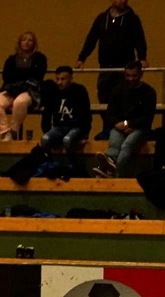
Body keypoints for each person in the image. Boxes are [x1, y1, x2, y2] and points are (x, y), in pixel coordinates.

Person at [77, 0, 147, 137]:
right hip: (105, 68)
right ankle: (108, 128)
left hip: (124, 68)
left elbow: (139, 39)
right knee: (104, 99)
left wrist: (142, 57)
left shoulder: (132, 19)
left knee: (123, 100)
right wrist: (82, 58)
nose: (123, 1)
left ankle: (123, 128)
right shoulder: (102, 18)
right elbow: (91, 39)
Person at [92, 61, 155, 178]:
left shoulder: (149, 92)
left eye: (134, 75)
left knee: (127, 144)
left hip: (140, 129)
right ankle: (110, 166)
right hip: (119, 127)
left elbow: (148, 117)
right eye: (128, 75)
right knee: (114, 143)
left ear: (141, 74)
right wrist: (117, 124)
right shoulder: (118, 90)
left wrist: (128, 123)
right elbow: (110, 113)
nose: (131, 79)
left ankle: (113, 171)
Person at [0, 31, 48, 142]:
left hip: (30, 90)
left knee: (19, 102)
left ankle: (13, 131)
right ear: (20, 42)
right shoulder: (11, 59)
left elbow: (38, 76)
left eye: (30, 40)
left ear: (34, 43)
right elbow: (6, 76)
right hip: (12, 89)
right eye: (24, 40)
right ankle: (4, 131)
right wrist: (25, 74)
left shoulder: (40, 58)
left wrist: (19, 75)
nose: (27, 42)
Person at [40, 66, 93, 157]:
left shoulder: (79, 90)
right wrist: (47, 131)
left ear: (70, 79)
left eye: (63, 79)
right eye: (57, 79)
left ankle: (72, 163)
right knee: (45, 139)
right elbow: (46, 114)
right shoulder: (53, 92)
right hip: (59, 127)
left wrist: (85, 134)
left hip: (76, 127)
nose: (59, 82)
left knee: (67, 140)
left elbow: (86, 114)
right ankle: (49, 162)